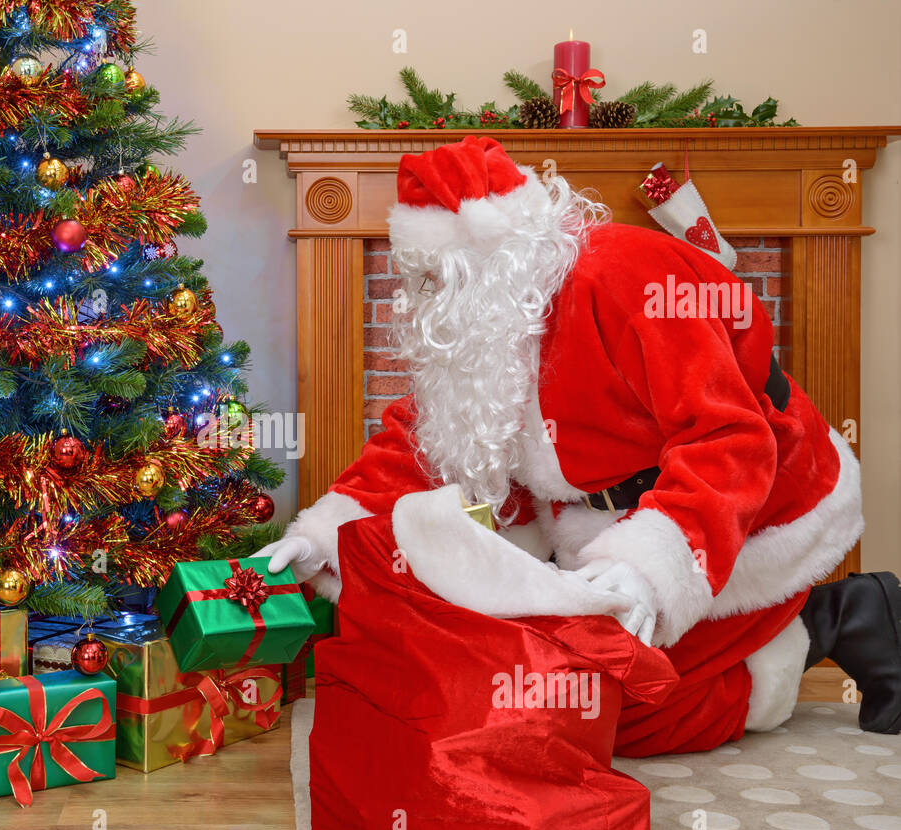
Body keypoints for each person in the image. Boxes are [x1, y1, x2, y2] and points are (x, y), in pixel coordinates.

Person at [256, 135, 901, 755]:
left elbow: (727, 437)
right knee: (555, 690)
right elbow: (422, 439)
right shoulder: (489, 329)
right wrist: (327, 530)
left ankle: (825, 621)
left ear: (498, 258)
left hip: (752, 505)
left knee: (621, 711)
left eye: (439, 275)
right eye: (418, 277)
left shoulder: (622, 280)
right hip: (598, 517)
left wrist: (647, 569)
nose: (424, 299)